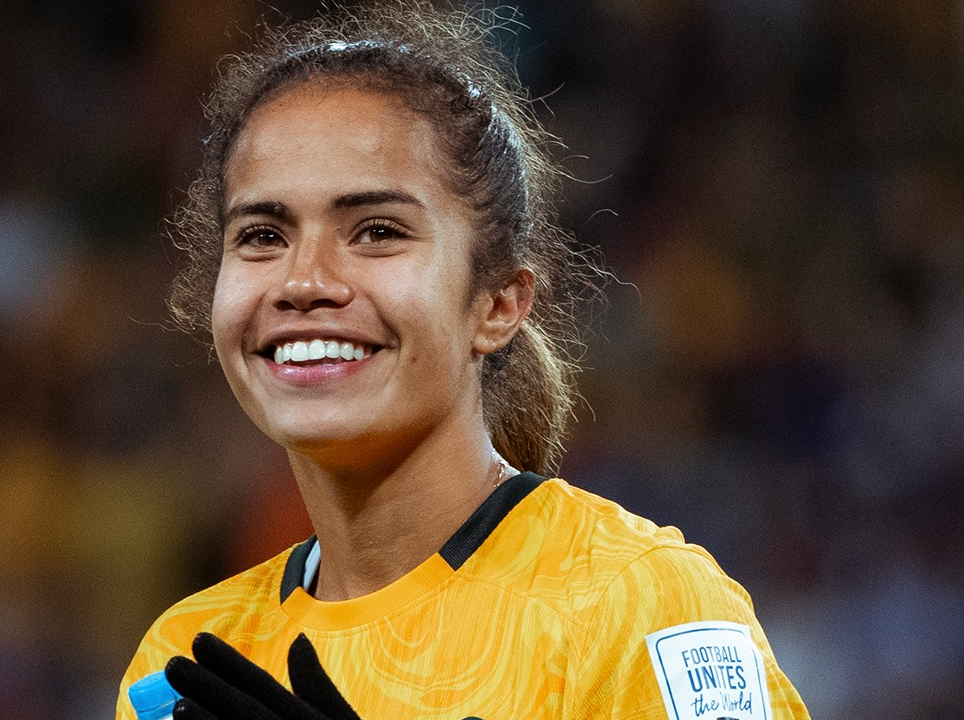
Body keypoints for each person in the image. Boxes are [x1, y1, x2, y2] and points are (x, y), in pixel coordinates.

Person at [117, 2, 810, 719]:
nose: (303, 282)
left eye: (377, 231)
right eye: (262, 235)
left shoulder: (638, 604)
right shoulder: (184, 663)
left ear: (498, 304)